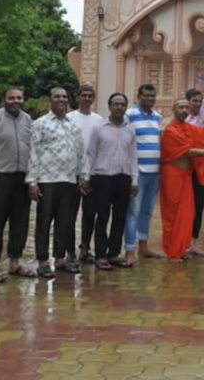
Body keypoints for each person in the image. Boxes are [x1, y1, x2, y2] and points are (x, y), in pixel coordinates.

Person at [27, 87, 89, 278]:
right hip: (47, 180)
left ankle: (60, 258)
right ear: (50, 101)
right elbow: (33, 153)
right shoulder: (40, 124)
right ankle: (43, 261)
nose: (61, 99)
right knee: (44, 222)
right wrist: (32, 182)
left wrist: (84, 175)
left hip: (69, 180)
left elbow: (81, 153)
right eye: (57, 97)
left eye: (64, 96)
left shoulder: (73, 125)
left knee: (65, 222)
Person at [0, 86, 36, 283]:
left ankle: (14, 263)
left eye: (19, 98)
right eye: (12, 98)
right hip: (0, 178)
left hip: (22, 179)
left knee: (20, 222)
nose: (16, 101)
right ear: (4, 99)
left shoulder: (27, 119)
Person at [159, 98, 204, 261]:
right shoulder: (171, 130)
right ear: (173, 109)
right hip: (173, 176)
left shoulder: (187, 127)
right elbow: (189, 152)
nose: (184, 110)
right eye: (180, 107)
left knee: (186, 214)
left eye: (186, 107)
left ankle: (182, 248)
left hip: (185, 176)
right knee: (173, 215)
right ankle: (172, 251)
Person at [87, 93, 138, 270]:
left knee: (120, 218)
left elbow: (133, 157)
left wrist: (134, 180)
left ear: (126, 107)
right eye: (115, 104)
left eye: (122, 104)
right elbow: (91, 154)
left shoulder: (130, 129)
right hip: (102, 178)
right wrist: (87, 177)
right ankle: (100, 255)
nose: (119, 107)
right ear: (109, 107)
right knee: (102, 217)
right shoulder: (99, 128)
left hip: (123, 178)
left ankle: (114, 253)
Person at [124, 83, 163, 264]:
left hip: (154, 173)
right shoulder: (129, 115)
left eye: (152, 96)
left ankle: (144, 247)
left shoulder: (156, 117)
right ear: (138, 97)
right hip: (137, 173)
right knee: (133, 212)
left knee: (147, 211)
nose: (150, 99)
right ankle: (130, 250)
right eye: (146, 95)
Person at [66, 84, 104, 264]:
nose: (87, 99)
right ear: (78, 97)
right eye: (84, 95)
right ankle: (69, 252)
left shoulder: (99, 120)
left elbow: (99, 149)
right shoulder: (69, 118)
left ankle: (85, 249)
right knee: (70, 214)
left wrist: (88, 175)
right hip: (71, 174)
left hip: (92, 174)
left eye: (90, 96)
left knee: (90, 214)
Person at [185, 87, 204, 256]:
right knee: (185, 205)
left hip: (201, 168)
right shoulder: (184, 120)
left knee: (199, 205)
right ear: (187, 102)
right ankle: (183, 241)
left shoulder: (202, 117)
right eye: (194, 100)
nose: (197, 104)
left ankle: (193, 242)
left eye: (199, 101)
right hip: (185, 168)